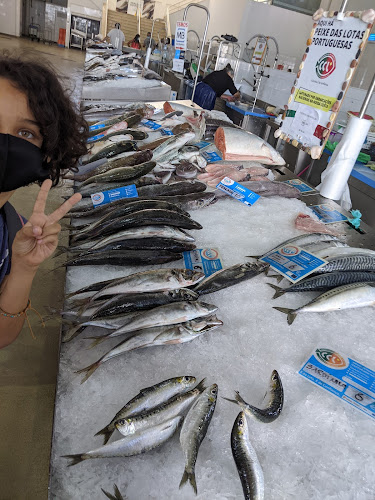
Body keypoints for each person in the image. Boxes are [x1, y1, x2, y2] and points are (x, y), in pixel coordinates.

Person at [0, 54, 87, 347]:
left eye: (25, 133)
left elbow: (2, 336)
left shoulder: (11, 229)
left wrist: (24, 268)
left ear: (46, 154)